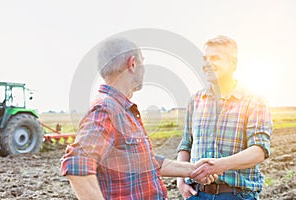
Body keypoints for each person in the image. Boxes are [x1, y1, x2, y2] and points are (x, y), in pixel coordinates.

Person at [61, 37, 215, 200]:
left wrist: (191, 169)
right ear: (132, 64)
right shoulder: (106, 109)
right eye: (143, 62)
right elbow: (77, 163)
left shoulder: (123, 109)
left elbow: (144, 162)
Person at [177, 35, 273, 200]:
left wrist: (219, 165)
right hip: (196, 194)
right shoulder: (196, 100)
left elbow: (259, 150)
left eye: (215, 58)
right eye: (205, 58)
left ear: (233, 63)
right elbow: (186, 144)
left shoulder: (254, 99)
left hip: (237, 195)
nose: (207, 63)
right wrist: (180, 181)